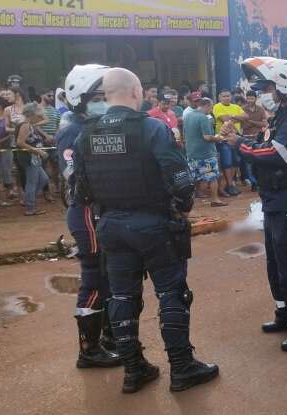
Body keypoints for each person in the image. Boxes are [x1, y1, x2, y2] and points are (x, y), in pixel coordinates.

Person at [73, 67, 218, 394]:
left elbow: (79, 190)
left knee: (122, 296)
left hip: (111, 226)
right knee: (171, 293)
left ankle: (134, 370)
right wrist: (183, 207)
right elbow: (179, 178)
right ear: (137, 93)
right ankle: (181, 367)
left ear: (105, 95)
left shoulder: (87, 132)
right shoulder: (151, 128)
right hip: (153, 224)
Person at [236, 56, 287, 351]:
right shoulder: (282, 114)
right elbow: (262, 145)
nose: (262, 94)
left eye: (265, 87)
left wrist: (238, 143)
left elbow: (273, 153)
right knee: (276, 263)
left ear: (282, 84)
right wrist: (246, 143)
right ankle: (286, 314)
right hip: (274, 199)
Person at [55, 64, 122, 371]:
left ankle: (108, 337)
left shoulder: (98, 124)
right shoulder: (72, 128)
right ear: (79, 97)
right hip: (86, 211)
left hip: (103, 210)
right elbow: (74, 177)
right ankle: (89, 350)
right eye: (98, 95)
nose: (105, 100)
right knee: (94, 276)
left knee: (108, 276)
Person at [184, 97, 227, 206]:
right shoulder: (203, 118)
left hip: (191, 151)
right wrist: (218, 138)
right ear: (206, 106)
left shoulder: (188, 116)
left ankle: (190, 200)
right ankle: (215, 199)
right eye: (211, 107)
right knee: (212, 176)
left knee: (194, 176)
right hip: (205, 152)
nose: (211, 110)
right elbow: (207, 137)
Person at [16, 103, 51, 216]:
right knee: (32, 182)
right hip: (30, 157)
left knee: (43, 179)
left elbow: (44, 118)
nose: (39, 116)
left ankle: (28, 200)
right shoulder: (25, 125)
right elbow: (20, 143)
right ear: (32, 114)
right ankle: (30, 207)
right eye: (38, 114)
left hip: (33, 157)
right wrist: (38, 151)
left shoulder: (29, 124)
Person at [213, 89, 249, 197]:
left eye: (228, 96)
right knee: (227, 162)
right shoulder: (217, 106)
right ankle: (228, 185)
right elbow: (224, 119)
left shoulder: (236, 107)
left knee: (236, 161)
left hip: (236, 139)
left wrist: (232, 116)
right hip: (223, 139)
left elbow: (246, 117)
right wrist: (237, 117)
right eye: (224, 96)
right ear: (220, 98)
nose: (226, 98)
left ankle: (231, 185)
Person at [39, 88, 61, 193]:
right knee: (42, 166)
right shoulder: (36, 109)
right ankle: (45, 190)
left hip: (53, 142)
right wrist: (45, 136)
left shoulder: (55, 110)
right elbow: (33, 125)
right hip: (40, 141)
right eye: (49, 95)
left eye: (52, 96)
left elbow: (58, 125)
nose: (51, 98)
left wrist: (55, 136)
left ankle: (56, 187)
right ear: (42, 95)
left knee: (55, 165)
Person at [0, 96, 14, 206]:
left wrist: (0, 141)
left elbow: (12, 133)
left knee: (6, 171)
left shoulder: (7, 117)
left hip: (6, 147)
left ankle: (8, 196)